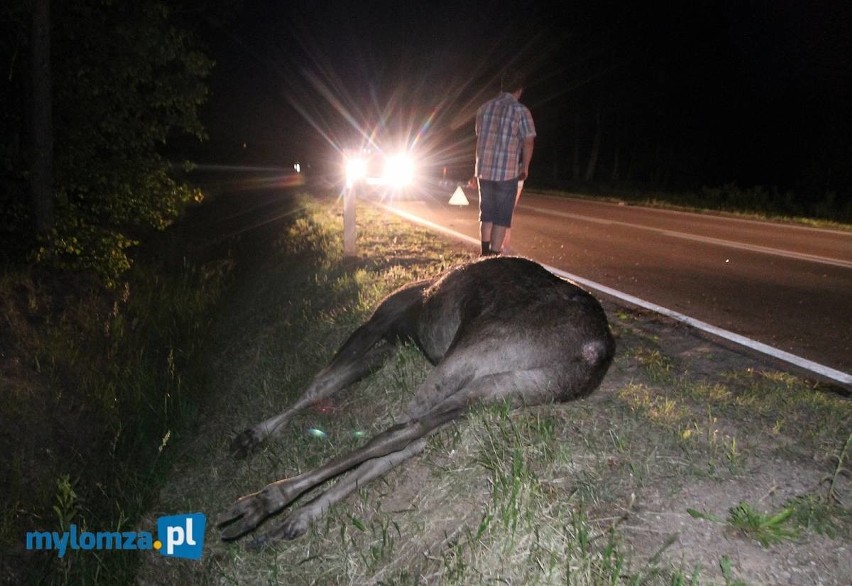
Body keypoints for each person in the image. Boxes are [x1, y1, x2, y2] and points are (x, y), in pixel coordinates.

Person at [474, 68, 535, 255]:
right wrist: (525, 166)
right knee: (501, 218)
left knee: (487, 215)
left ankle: (484, 254)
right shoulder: (521, 111)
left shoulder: (484, 108)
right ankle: (493, 256)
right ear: (520, 89)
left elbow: (478, 133)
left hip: (484, 170)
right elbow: (528, 141)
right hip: (507, 172)